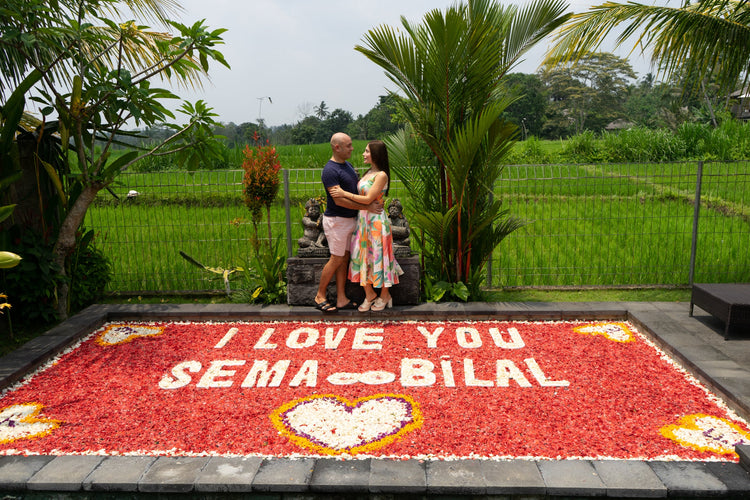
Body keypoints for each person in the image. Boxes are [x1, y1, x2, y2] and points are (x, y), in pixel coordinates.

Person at [330, 140, 403, 312]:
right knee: (361, 256)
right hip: (363, 221)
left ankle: (385, 294)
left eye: (367, 151)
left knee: (379, 256)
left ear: (375, 154)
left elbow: (368, 199)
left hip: (376, 222)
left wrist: (342, 193)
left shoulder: (381, 175)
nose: (363, 154)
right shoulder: (368, 172)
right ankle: (369, 293)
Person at [314, 133, 380, 313]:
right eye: (349, 146)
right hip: (336, 221)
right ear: (337, 147)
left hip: (351, 220)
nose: (352, 148)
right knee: (336, 258)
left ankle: (341, 298)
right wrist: (366, 207)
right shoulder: (330, 171)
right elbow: (339, 201)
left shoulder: (348, 166)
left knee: (343, 260)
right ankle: (320, 295)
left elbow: (348, 193)